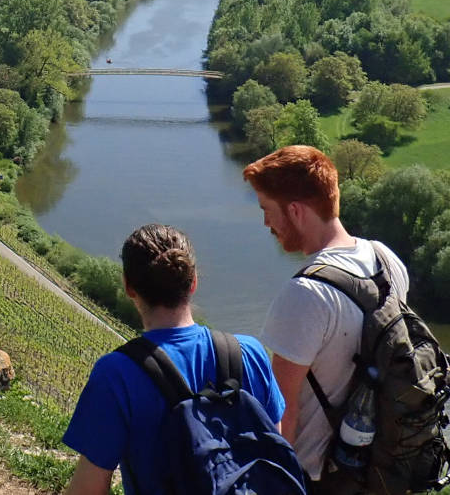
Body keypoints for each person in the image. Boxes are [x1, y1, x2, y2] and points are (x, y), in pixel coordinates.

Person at [61, 223, 286, 495]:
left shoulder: (116, 374)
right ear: (193, 283)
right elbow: (275, 450)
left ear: (128, 287)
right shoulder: (249, 353)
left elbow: (88, 490)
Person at [244, 145, 410, 487]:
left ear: (295, 211)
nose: (265, 223)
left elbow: (282, 413)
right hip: (378, 468)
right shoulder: (386, 259)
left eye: (267, 210)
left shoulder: (305, 294)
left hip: (318, 478)